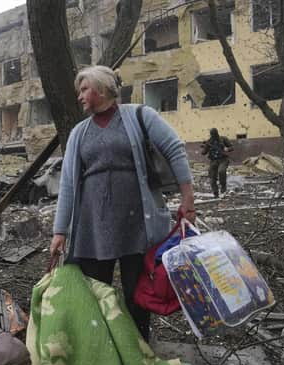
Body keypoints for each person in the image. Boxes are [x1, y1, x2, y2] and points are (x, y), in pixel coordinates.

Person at [49, 65, 196, 342]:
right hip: (93, 227)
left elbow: (174, 149)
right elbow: (68, 183)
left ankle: (139, 348)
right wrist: (60, 232)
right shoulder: (79, 133)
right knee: (94, 294)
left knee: (137, 294)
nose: (79, 96)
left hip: (136, 224)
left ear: (102, 89)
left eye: (84, 89)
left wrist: (188, 199)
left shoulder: (139, 115)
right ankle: (101, 348)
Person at [201, 128, 232, 198]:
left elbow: (231, 147)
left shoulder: (223, 139)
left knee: (221, 171)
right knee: (212, 177)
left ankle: (223, 186)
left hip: (223, 159)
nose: (213, 136)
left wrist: (227, 149)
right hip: (213, 161)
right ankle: (215, 193)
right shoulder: (209, 142)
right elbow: (203, 153)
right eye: (212, 134)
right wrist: (205, 146)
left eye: (214, 134)